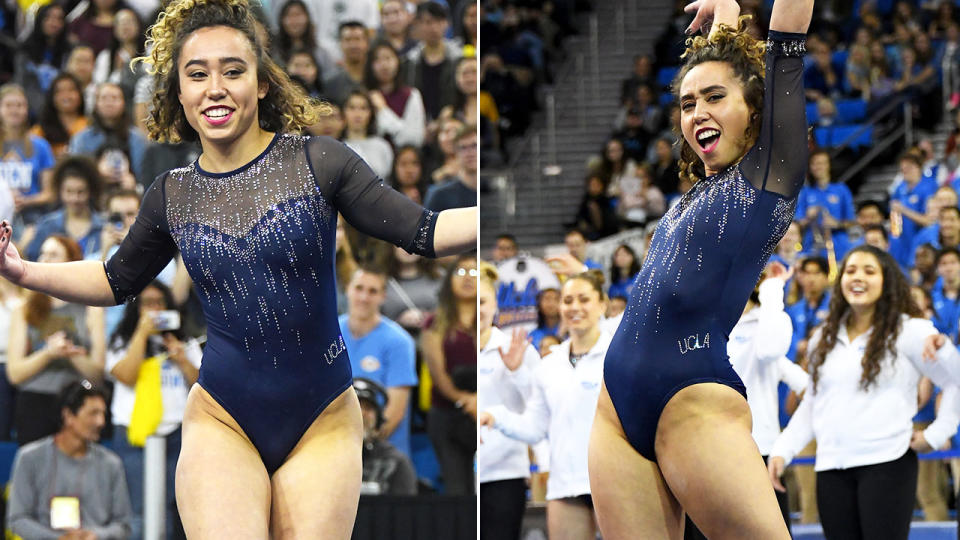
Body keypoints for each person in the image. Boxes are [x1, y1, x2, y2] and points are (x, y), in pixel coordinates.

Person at [0, 0, 476, 536]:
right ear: (179, 94)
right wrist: (21, 271)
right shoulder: (172, 195)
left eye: (233, 71)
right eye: (197, 74)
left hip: (323, 416)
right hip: (224, 416)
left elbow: (425, 231)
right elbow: (114, 280)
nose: (215, 87)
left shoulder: (320, 160)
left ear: (263, 83)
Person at [584, 0, 813, 537]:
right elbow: (721, 69)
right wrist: (728, 14)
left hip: (693, 404)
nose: (696, 113)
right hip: (614, 411)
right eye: (687, 103)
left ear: (758, 109)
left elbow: (787, 34)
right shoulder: (702, 190)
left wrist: (742, 23)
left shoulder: (771, 172)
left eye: (714, 99)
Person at [769, 245, 960, 539]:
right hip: (831, 466)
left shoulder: (911, 331)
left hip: (887, 464)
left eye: (869, 271)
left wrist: (936, 434)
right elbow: (813, 404)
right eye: (851, 270)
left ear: (887, 281)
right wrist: (783, 450)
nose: (858, 277)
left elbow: (954, 380)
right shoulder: (823, 337)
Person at [479, 270, 611, 540]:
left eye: (584, 299)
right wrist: (495, 416)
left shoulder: (617, 357)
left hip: (614, 481)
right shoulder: (549, 365)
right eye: (568, 300)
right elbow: (535, 427)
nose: (574, 307)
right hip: (565, 484)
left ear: (602, 304)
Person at [685, 262, 807, 540]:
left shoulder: (764, 324)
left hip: (758, 451)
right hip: (703, 455)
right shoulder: (698, 327)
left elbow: (771, 350)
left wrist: (773, 289)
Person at [105, 280, 200, 539]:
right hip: (133, 434)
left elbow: (201, 384)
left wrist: (181, 358)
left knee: (169, 507)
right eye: (147, 303)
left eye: (159, 303)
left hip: (175, 434)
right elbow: (125, 375)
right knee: (136, 508)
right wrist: (141, 334)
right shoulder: (121, 340)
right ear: (136, 308)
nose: (154, 309)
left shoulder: (185, 341)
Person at [6, 236, 105, 446]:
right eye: (43, 254)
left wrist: (70, 353)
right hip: (35, 402)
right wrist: (48, 353)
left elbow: (98, 374)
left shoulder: (91, 307)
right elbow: (15, 373)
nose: (45, 259)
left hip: (77, 401)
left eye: (53, 255)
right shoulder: (24, 308)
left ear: (71, 262)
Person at [6, 380, 132, 539]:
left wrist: (96, 535)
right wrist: (58, 539)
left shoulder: (111, 464)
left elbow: (124, 525)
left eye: (103, 414)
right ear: (68, 416)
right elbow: (17, 519)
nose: (101, 422)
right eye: (93, 413)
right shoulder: (30, 458)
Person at [477, 260, 541, 540]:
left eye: (482, 302)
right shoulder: (451, 345)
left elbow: (539, 407)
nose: (476, 310)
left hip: (504, 471)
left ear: (494, 306)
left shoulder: (516, 348)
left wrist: (516, 372)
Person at [339, 266, 418, 459]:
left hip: (384, 455)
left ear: (383, 296)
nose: (364, 297)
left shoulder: (399, 341)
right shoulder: (330, 333)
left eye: (372, 291)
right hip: (336, 447)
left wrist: (363, 451)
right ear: (348, 289)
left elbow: (396, 410)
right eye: (359, 288)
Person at [422, 255, 478, 495]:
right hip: (447, 413)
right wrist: (466, 400)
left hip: (486, 412)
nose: (467, 279)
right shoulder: (434, 323)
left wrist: (480, 402)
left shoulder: (490, 321)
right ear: (449, 280)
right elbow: (438, 374)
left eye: (474, 273)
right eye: (461, 272)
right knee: (457, 488)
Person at [23, 156, 105, 262]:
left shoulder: (103, 227)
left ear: (90, 192)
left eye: (81, 192)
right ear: (60, 191)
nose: (75, 199)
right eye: (69, 191)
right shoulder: (47, 226)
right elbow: (32, 262)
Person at [354, 377, 417, 496]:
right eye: (357, 406)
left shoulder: (395, 462)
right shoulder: (325, 459)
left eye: (368, 408)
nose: (361, 414)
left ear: (379, 420)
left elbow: (406, 511)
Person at [365, 42, 426, 148]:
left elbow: (413, 140)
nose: (384, 65)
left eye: (388, 58)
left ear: (397, 61)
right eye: (377, 60)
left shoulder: (411, 95)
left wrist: (383, 110)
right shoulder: (365, 96)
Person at [31, 72, 91, 159]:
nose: (66, 95)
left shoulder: (90, 126)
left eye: (71, 90)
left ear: (80, 95)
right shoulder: (39, 131)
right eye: (59, 91)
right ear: (52, 97)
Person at [423, 124, 478, 212]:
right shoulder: (439, 195)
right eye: (463, 148)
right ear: (456, 152)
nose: (470, 153)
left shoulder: (491, 190)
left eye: (474, 145)